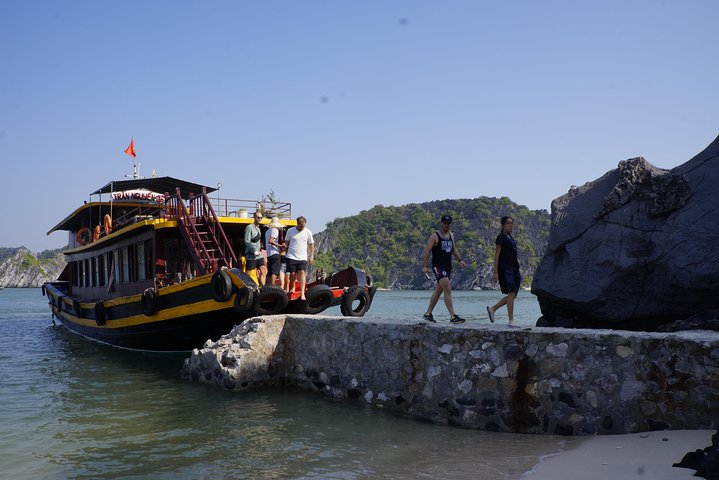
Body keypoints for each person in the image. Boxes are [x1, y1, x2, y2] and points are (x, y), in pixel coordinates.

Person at [421, 214, 466, 324]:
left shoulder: (451, 235)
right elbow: (427, 251)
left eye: (448, 223)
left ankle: (428, 314)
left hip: (447, 267)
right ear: (442, 223)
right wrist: (425, 266)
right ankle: (452, 316)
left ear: (450, 224)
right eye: (445, 223)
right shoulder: (435, 236)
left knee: (438, 290)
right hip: (438, 266)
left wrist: (460, 260)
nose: (446, 225)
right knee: (448, 288)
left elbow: (453, 250)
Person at [487, 216, 521, 327]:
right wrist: (495, 271)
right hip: (506, 269)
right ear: (503, 225)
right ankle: (511, 321)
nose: (511, 225)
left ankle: (492, 309)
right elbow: (496, 256)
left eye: (512, 223)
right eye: (508, 223)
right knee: (511, 293)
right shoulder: (501, 238)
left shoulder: (511, 238)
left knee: (513, 295)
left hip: (515, 269)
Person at [284, 216, 314, 300]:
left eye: (303, 225)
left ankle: (302, 293)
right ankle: (292, 286)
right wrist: (285, 251)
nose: (302, 227)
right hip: (291, 255)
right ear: (297, 224)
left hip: (302, 257)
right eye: (300, 225)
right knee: (293, 274)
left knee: (302, 272)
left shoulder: (308, 232)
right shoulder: (290, 231)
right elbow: (286, 242)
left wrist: (311, 256)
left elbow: (311, 244)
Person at [244, 211, 266, 286]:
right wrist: (253, 250)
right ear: (254, 218)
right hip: (251, 254)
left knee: (263, 271)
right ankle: (246, 286)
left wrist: (261, 248)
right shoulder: (249, 227)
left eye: (261, 217)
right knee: (248, 273)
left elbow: (258, 241)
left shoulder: (258, 229)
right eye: (258, 217)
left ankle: (262, 287)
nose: (259, 219)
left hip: (258, 254)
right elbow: (247, 241)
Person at [264, 216, 285, 286]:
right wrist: (280, 246)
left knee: (269, 272)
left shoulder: (267, 231)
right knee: (275, 272)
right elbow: (271, 241)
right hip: (274, 253)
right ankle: (272, 286)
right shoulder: (275, 230)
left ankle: (266, 286)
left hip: (269, 254)